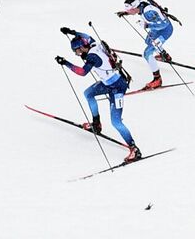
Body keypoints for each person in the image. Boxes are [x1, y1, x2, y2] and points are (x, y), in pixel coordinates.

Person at [58, 28, 140, 162]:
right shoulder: (92, 44)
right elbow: (85, 35)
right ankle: (96, 124)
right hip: (107, 83)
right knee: (88, 93)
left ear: (82, 47)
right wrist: (72, 32)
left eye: (77, 51)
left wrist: (65, 63)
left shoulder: (92, 57)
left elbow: (82, 72)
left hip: (118, 87)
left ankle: (134, 149)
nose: (77, 54)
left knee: (116, 122)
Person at [121, 0, 174, 90]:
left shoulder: (148, 12)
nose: (128, 11)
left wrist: (146, 25)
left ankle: (157, 79)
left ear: (135, 7)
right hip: (157, 30)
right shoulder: (141, 5)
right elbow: (135, 10)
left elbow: (163, 24)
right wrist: (125, 13)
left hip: (164, 31)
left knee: (147, 53)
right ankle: (164, 55)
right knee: (148, 41)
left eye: (129, 10)